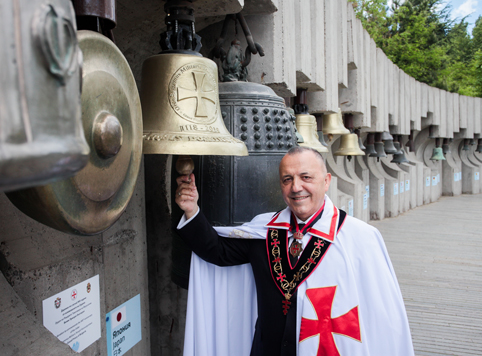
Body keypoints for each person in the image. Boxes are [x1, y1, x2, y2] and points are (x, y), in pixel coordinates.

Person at [175, 146, 414, 356]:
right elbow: (217, 251)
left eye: (306, 177)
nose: (296, 187)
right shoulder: (265, 231)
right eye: (287, 179)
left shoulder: (360, 239)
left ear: (327, 180)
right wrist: (191, 210)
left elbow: (383, 314)